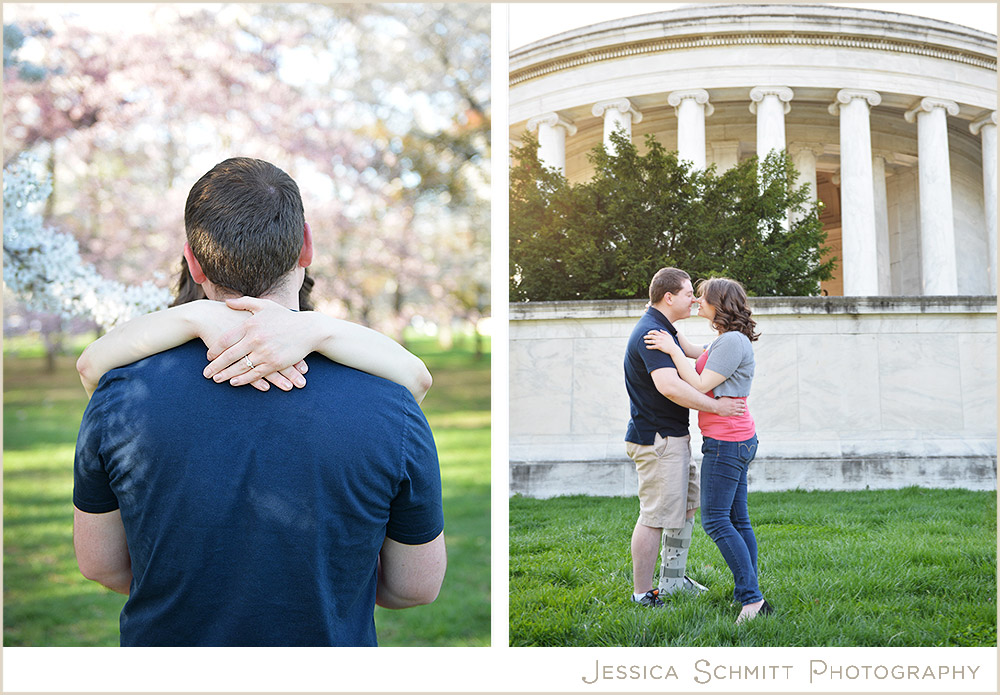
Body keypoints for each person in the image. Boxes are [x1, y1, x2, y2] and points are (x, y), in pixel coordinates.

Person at [72, 157, 446, 646]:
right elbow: (415, 586)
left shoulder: (118, 397)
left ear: (193, 261)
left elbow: (100, 563)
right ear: (306, 246)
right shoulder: (393, 406)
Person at [644, 276, 771, 623]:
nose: (698, 302)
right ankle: (750, 591)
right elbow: (694, 352)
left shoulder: (731, 342)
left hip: (728, 442)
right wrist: (662, 322)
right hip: (735, 438)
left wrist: (670, 350)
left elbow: (699, 383)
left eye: (702, 297)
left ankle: (752, 600)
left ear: (719, 303)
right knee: (737, 520)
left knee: (716, 521)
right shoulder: (724, 340)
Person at [623, 267, 745, 608]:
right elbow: (670, 386)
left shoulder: (666, 330)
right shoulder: (652, 333)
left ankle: (673, 581)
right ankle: (643, 594)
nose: (694, 298)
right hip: (657, 440)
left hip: (673, 437)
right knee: (655, 516)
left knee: (686, 508)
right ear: (669, 297)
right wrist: (717, 408)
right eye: (689, 292)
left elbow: (700, 353)